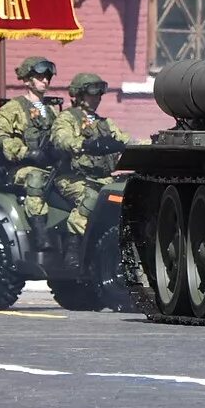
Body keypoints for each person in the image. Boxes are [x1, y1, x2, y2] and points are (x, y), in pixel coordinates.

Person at [49, 73, 130, 268]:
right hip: (72, 178)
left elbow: (125, 140)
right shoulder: (67, 118)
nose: (98, 98)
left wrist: (152, 143)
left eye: (100, 94)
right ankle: (74, 249)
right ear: (78, 95)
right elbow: (61, 140)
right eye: (92, 94)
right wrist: (86, 144)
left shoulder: (104, 123)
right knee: (90, 198)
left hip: (103, 178)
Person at [0, 56, 61, 250]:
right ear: (28, 80)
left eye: (48, 77)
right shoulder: (14, 108)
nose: (45, 81)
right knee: (35, 178)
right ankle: (40, 233)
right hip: (20, 169)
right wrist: (26, 152)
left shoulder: (51, 111)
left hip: (51, 167)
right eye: (40, 77)